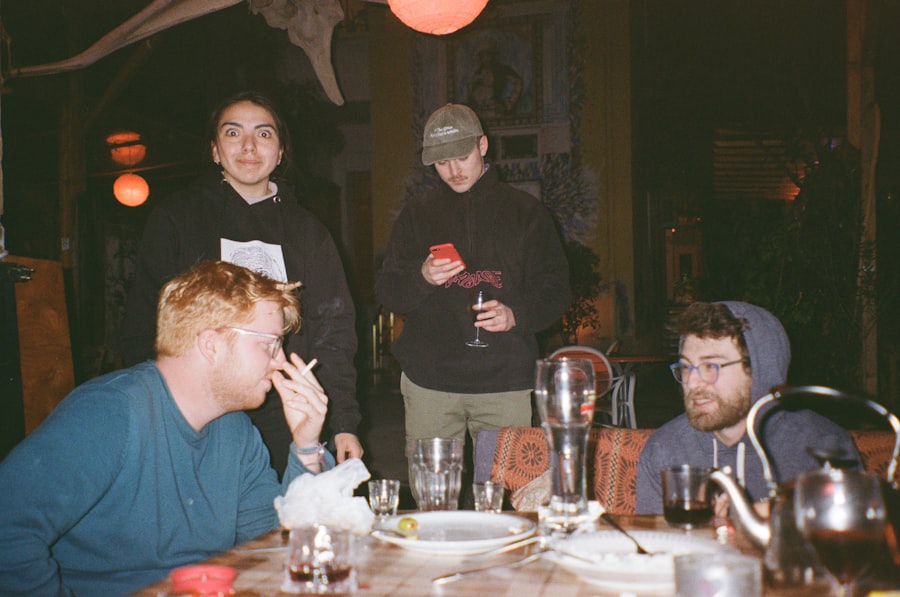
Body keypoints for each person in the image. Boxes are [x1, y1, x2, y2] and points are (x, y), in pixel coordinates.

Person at [0, 261, 334, 596]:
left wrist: (306, 445)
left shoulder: (238, 433)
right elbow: (7, 529)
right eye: (269, 344)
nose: (280, 360)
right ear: (211, 344)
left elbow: (274, 550)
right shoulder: (110, 413)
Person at [117, 91, 363, 470]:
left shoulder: (308, 233)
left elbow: (335, 331)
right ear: (215, 149)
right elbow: (143, 324)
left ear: (280, 153)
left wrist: (344, 422)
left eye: (264, 134)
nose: (249, 146)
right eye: (233, 133)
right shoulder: (176, 219)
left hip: (287, 418)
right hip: (199, 416)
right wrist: (159, 413)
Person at [374, 103, 570, 493]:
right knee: (432, 499)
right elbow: (387, 290)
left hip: (505, 382)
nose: (454, 170)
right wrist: (422, 276)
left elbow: (557, 289)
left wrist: (518, 315)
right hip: (430, 383)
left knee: (515, 497)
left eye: (461, 157)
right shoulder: (416, 214)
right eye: (442, 162)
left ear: (483, 145)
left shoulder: (527, 213)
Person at [635, 301, 860, 515]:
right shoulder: (665, 451)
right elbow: (654, 550)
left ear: (759, 370)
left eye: (710, 366)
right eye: (686, 367)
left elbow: (849, 550)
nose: (692, 382)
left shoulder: (824, 448)